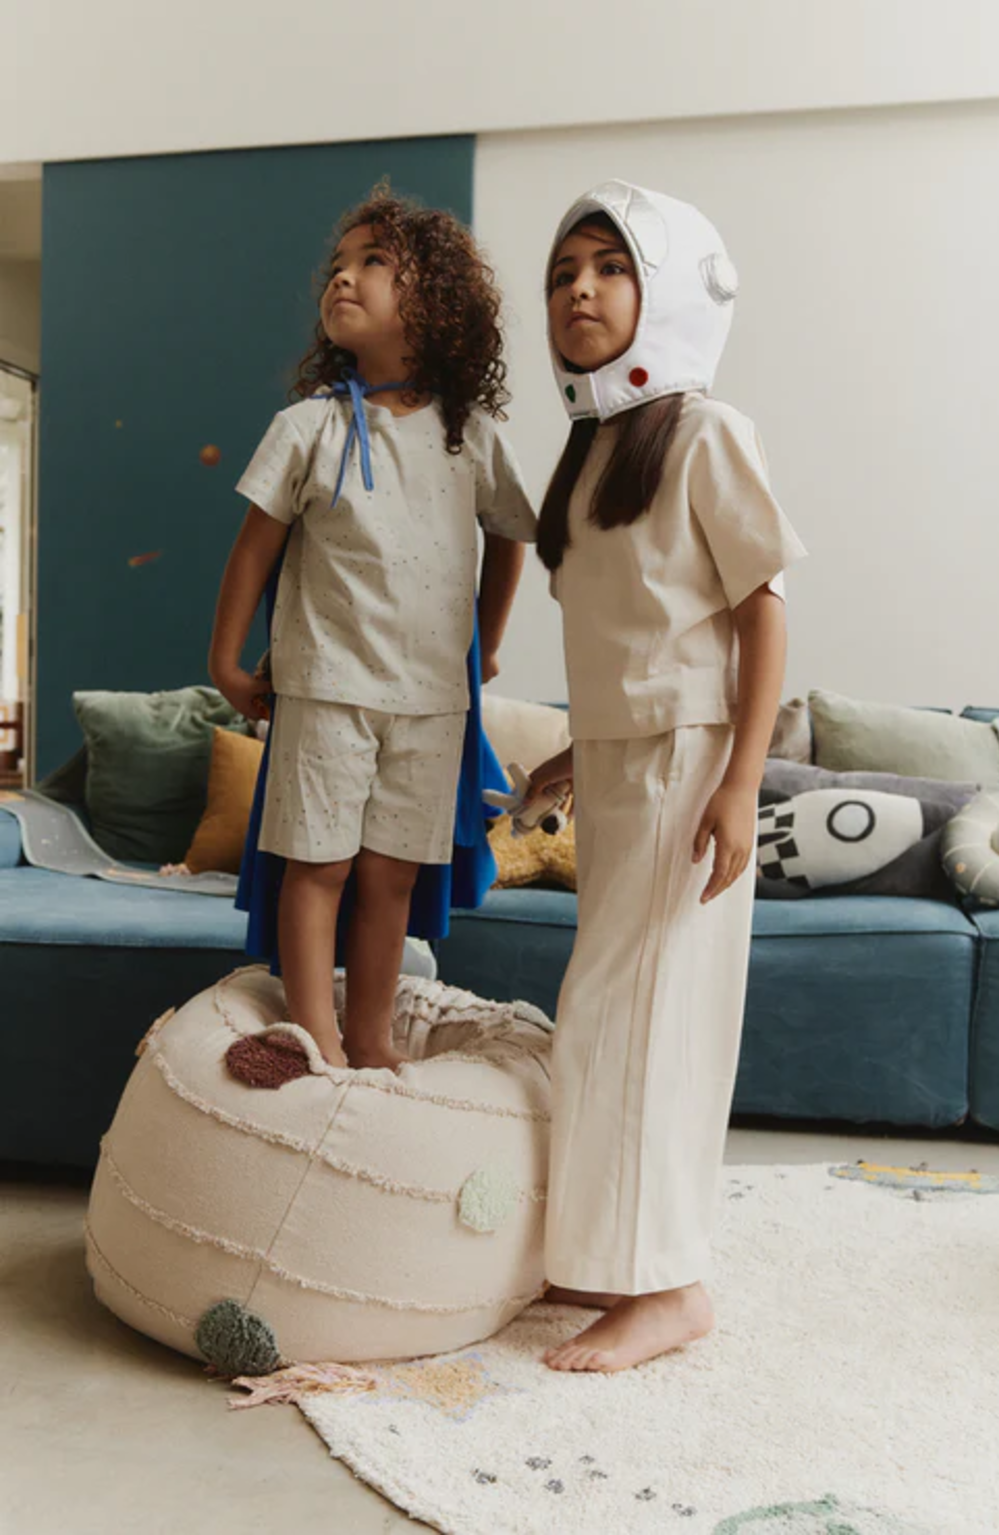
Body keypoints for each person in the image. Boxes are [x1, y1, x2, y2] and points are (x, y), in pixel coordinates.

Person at [527, 180, 808, 1372]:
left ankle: (671, 1287)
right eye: (562, 274)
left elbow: (762, 613)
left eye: (609, 267)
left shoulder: (704, 432)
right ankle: (613, 1257)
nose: (579, 290)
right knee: (610, 1016)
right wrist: (573, 748)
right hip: (619, 761)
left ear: (668, 290)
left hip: (688, 769)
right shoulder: (591, 453)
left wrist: (740, 781)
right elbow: (629, 636)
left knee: (644, 1017)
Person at [209, 186, 537, 1071]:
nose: (343, 277)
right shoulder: (309, 427)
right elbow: (252, 549)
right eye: (337, 266)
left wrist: (487, 641)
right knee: (318, 868)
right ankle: (315, 1035)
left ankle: (370, 1036)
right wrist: (226, 660)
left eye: (373, 262)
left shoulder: (471, 436)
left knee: (391, 876)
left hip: (430, 702)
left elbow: (511, 537)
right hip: (325, 688)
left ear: (437, 301)